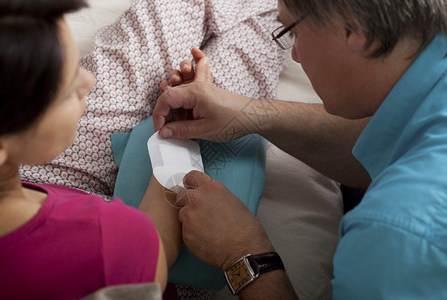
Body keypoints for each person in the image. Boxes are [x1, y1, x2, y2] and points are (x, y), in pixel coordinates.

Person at [153, 0, 447, 299]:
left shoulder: (395, 234)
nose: (294, 53)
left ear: (357, 30)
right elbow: (389, 144)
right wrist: (252, 114)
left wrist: (244, 252)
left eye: (293, 30)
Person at [0, 1, 181, 299]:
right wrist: (176, 143)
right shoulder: (108, 238)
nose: (90, 80)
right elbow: (159, 247)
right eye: (67, 88)